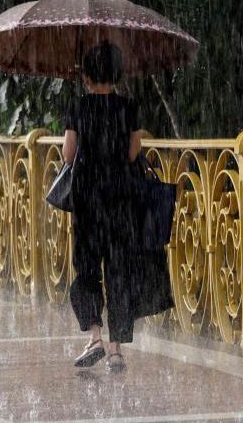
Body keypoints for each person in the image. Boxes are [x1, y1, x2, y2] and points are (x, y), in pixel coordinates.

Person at [62, 42, 174, 372]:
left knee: (87, 269)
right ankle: (115, 351)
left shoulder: (78, 107)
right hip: (121, 201)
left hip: (87, 200)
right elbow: (132, 152)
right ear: (115, 74)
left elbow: (69, 154)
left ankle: (94, 337)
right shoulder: (127, 107)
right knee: (118, 272)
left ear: (86, 76)